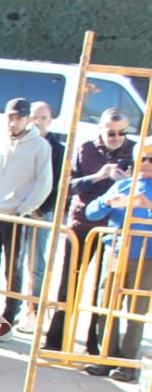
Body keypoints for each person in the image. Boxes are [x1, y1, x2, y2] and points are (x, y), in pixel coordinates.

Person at [53, 108, 137, 353]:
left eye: (122, 133)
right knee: (69, 283)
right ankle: (56, 340)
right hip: (81, 227)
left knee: (105, 291)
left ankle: (95, 345)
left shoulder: (136, 152)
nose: (117, 138)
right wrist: (98, 177)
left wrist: (125, 181)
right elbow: (67, 186)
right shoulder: (85, 149)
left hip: (114, 232)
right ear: (101, 129)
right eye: (111, 133)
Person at [0, 97, 51, 321]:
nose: (13, 122)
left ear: (27, 119)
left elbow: (44, 182)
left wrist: (25, 208)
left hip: (15, 216)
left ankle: (9, 316)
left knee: (13, 268)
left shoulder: (40, 146)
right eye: (10, 117)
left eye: (18, 118)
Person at [80, 145, 152, 383]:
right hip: (115, 253)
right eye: (142, 158)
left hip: (146, 257)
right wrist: (107, 203)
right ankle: (105, 358)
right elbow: (91, 212)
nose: (146, 163)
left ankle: (127, 363)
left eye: (151, 159)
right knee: (106, 307)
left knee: (136, 312)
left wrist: (147, 205)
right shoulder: (123, 185)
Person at [21, 101, 68, 332]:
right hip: (18, 210)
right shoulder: (22, 142)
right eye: (34, 117)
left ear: (51, 120)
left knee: (36, 264)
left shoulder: (57, 149)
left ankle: (34, 311)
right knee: (15, 263)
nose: (37, 122)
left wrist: (40, 209)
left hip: (41, 212)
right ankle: (15, 309)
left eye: (43, 118)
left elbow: (56, 183)